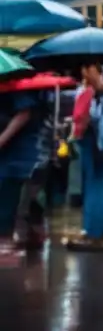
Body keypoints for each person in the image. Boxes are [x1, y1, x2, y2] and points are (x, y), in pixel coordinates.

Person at [66, 64, 103, 252]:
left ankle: (93, 234)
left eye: (87, 69)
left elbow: (91, 116)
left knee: (95, 187)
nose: (83, 72)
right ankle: (101, 230)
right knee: (99, 186)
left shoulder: (100, 88)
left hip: (98, 142)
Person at [0, 88, 48, 261]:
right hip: (17, 153)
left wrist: (2, 139)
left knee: (12, 194)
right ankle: (29, 235)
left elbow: (24, 113)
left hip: (20, 153)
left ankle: (8, 241)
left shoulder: (18, 87)